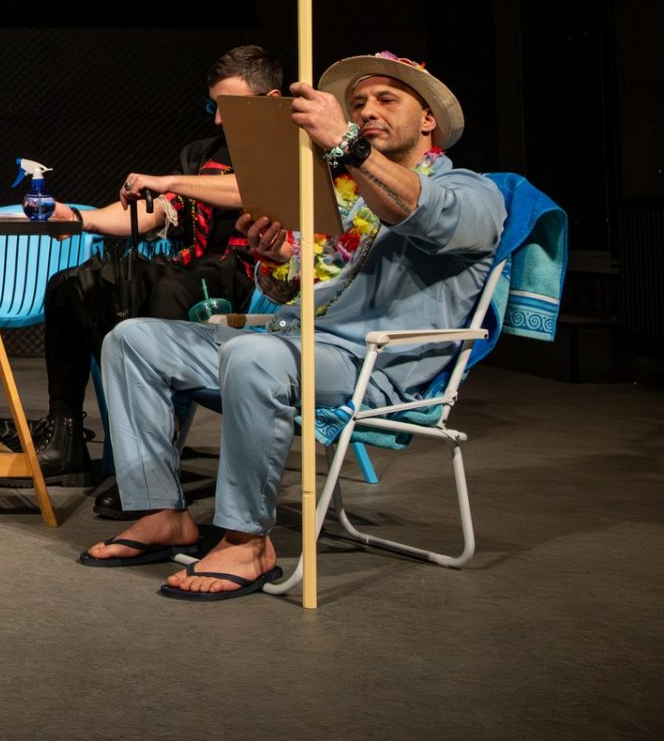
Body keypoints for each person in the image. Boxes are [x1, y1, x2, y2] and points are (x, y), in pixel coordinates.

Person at [81, 52, 504, 600]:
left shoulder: (475, 192)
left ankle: (247, 540)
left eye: (386, 100)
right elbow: (298, 285)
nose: (367, 111)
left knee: (254, 355)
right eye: (358, 104)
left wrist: (347, 145)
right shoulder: (343, 196)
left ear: (428, 120)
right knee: (133, 339)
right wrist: (277, 258)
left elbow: (421, 212)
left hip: (373, 366)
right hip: (295, 342)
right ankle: (161, 513)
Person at [30, 45, 283, 496]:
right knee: (70, 285)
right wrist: (80, 219)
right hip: (194, 271)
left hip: (257, 280)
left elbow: (253, 188)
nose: (218, 120)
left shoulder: (295, 152)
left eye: (228, 107)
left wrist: (169, 180)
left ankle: (153, 466)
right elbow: (156, 211)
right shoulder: (203, 154)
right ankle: (65, 435)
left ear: (270, 100)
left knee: (167, 290)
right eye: (213, 106)